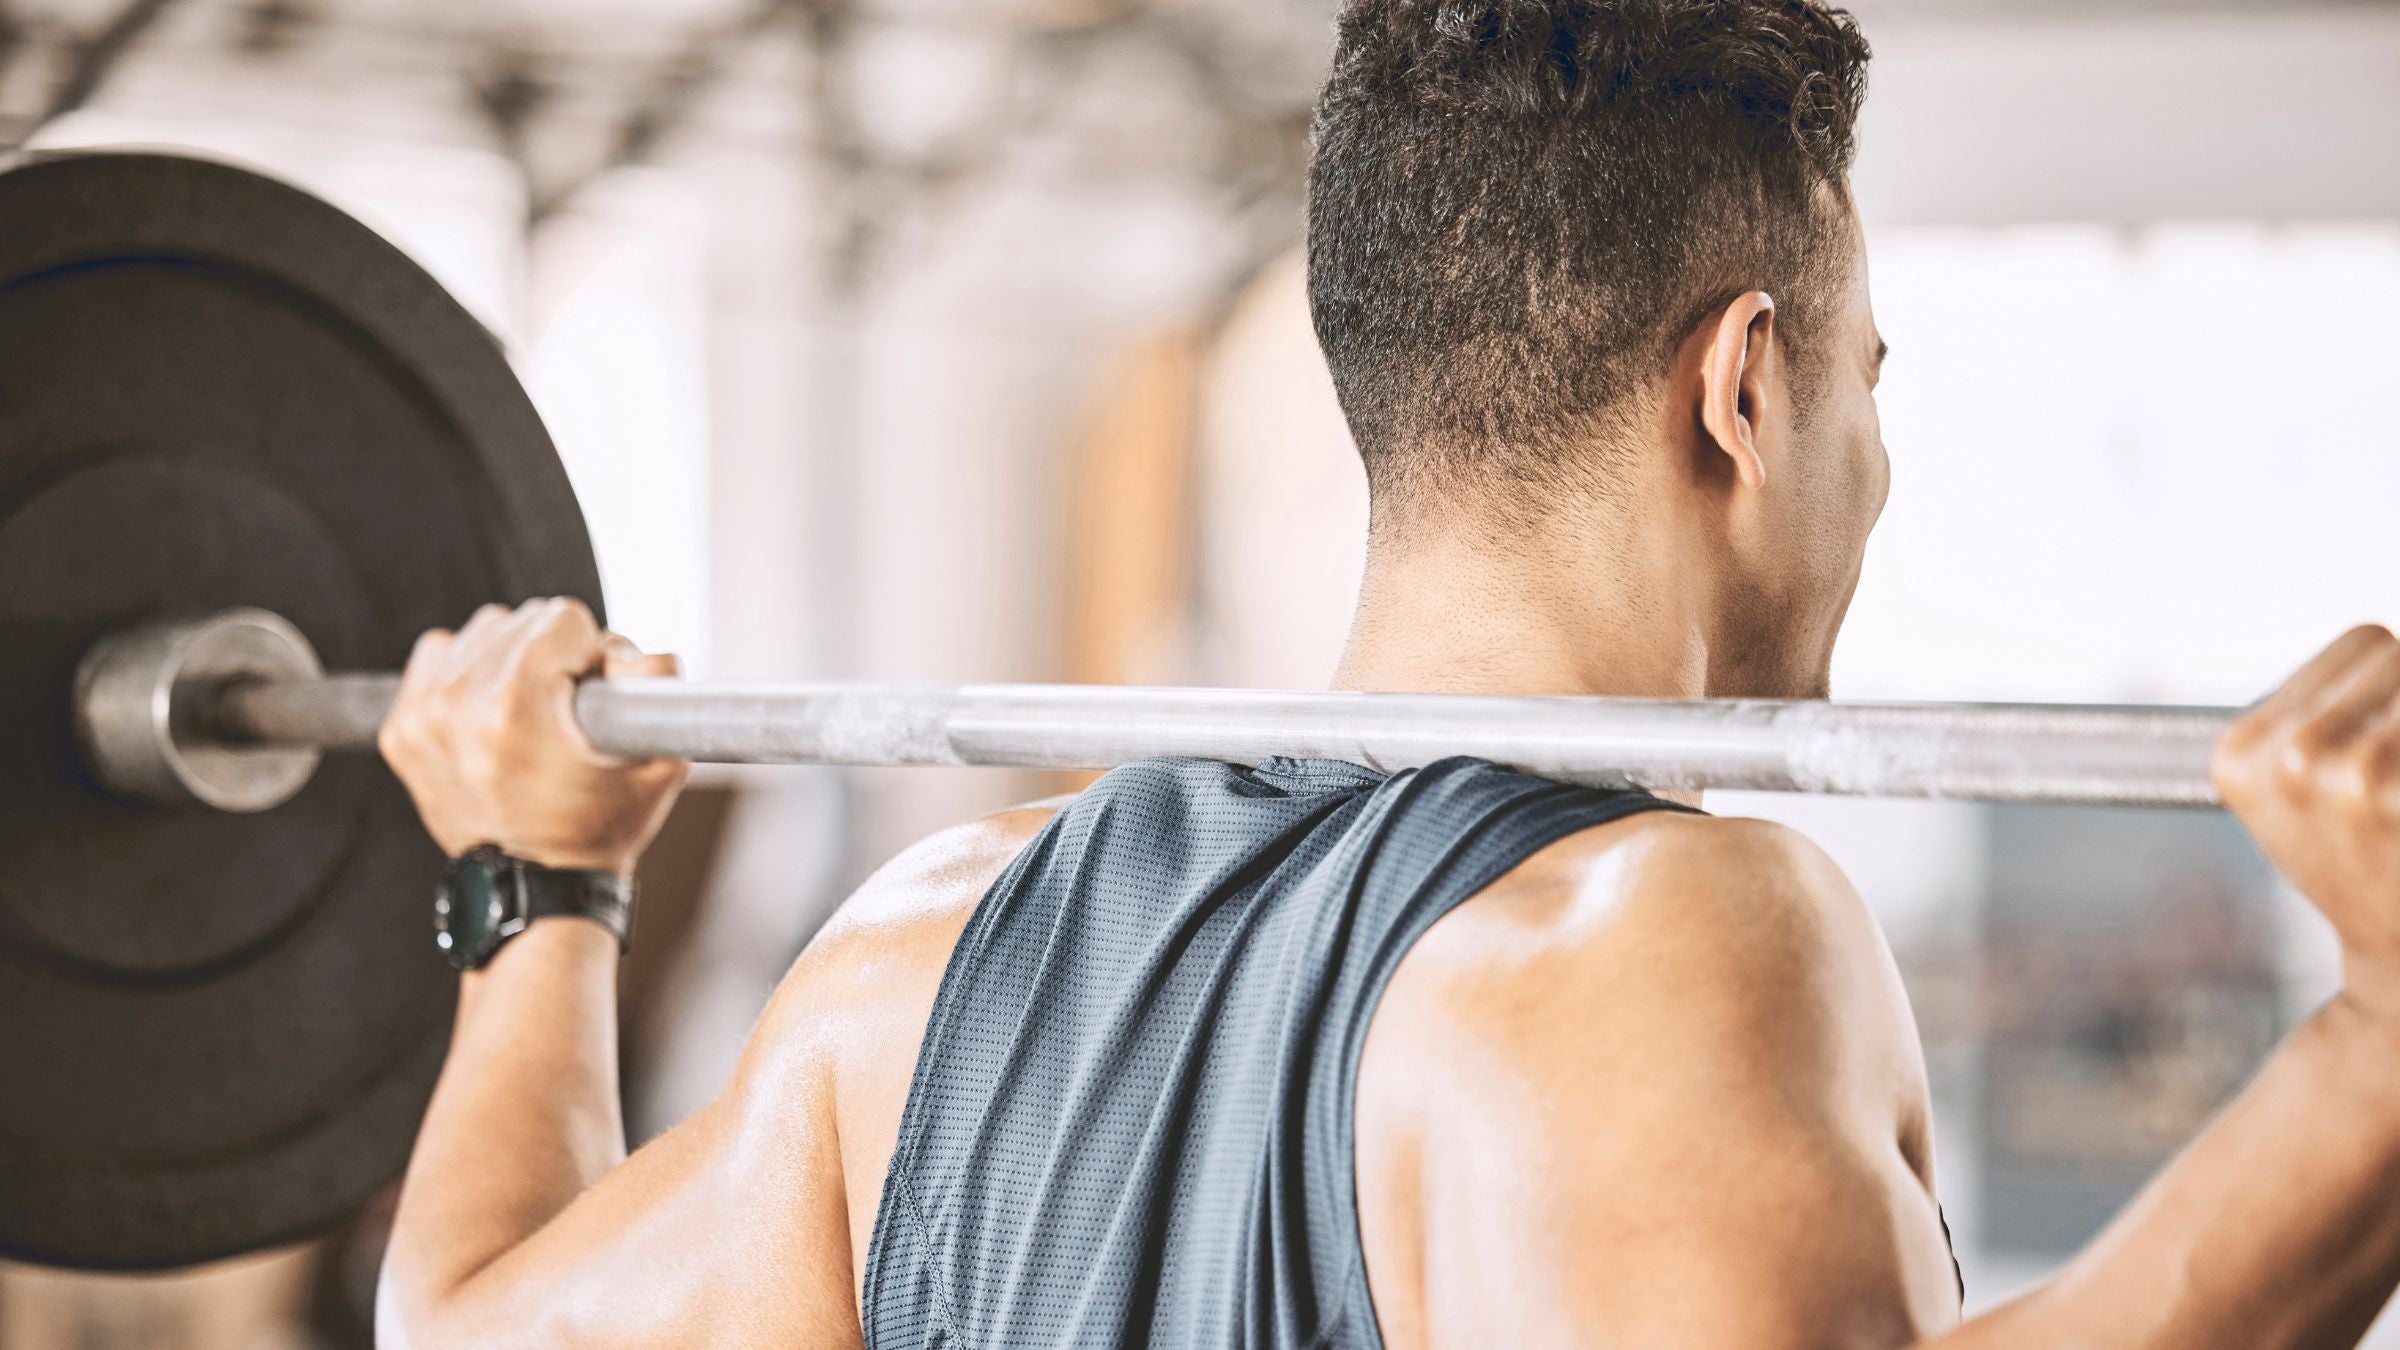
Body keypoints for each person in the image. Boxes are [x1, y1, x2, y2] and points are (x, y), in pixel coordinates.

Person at [372, 2, 2400, 1346]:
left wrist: (535, 888)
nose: (1881, 468)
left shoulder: (908, 964)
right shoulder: (1669, 943)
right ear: (1747, 387)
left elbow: (457, 1323)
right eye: (1870, 389)